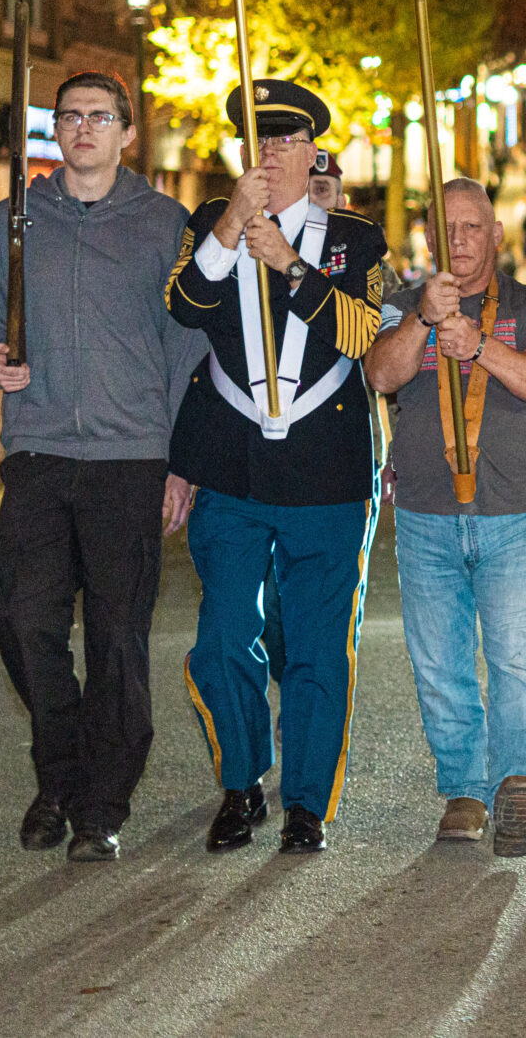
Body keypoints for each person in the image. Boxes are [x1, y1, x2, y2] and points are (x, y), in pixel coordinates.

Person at [0, 70, 197, 862]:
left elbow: (186, 348)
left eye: (101, 116)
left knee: (118, 638)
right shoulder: (14, 220)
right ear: (53, 131)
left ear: (128, 132)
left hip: (131, 456)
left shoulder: (166, 224)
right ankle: (61, 771)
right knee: (22, 617)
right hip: (39, 450)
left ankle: (102, 802)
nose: (84, 128)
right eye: (70, 116)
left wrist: (179, 461)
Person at [169, 79, 389, 856]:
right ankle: (241, 783)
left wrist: (291, 266)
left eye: (286, 140)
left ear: (312, 150)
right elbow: (185, 304)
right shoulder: (209, 223)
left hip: (325, 469)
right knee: (226, 635)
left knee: (318, 645)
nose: (271, 153)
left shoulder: (353, 238)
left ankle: (306, 801)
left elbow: (362, 333)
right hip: (231, 468)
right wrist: (232, 226)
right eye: (259, 140)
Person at [367, 177, 526, 857]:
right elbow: (381, 375)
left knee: (514, 654)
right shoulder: (404, 305)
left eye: (471, 227)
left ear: (495, 235)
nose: (458, 240)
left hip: (513, 510)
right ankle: (464, 786)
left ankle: (517, 780)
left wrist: (479, 344)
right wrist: (424, 321)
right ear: (429, 236)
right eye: (445, 228)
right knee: (439, 661)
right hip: (427, 512)